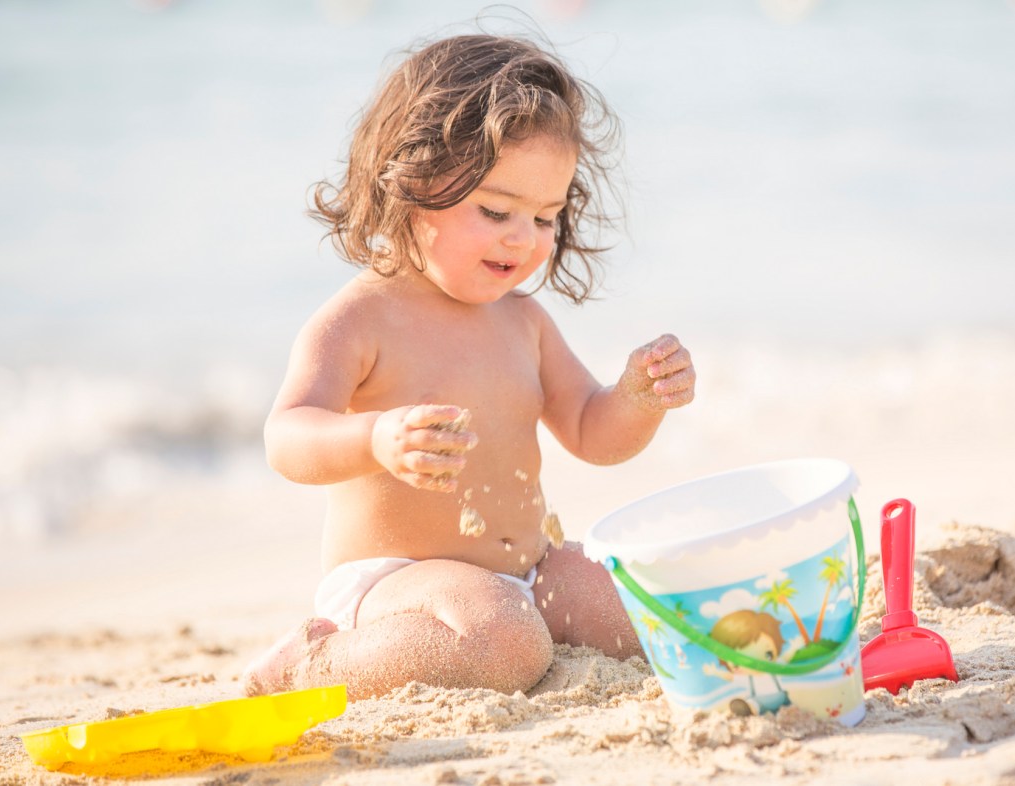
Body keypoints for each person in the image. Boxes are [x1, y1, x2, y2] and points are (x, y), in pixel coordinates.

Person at [243, 30, 696, 700]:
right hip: (397, 586)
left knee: (646, 614)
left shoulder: (524, 322)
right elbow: (287, 438)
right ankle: (311, 663)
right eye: (496, 210)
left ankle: (527, 623)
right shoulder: (361, 319)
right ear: (412, 182)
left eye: (546, 217)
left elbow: (590, 431)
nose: (525, 238)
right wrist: (374, 438)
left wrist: (637, 397)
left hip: (526, 574)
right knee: (506, 643)